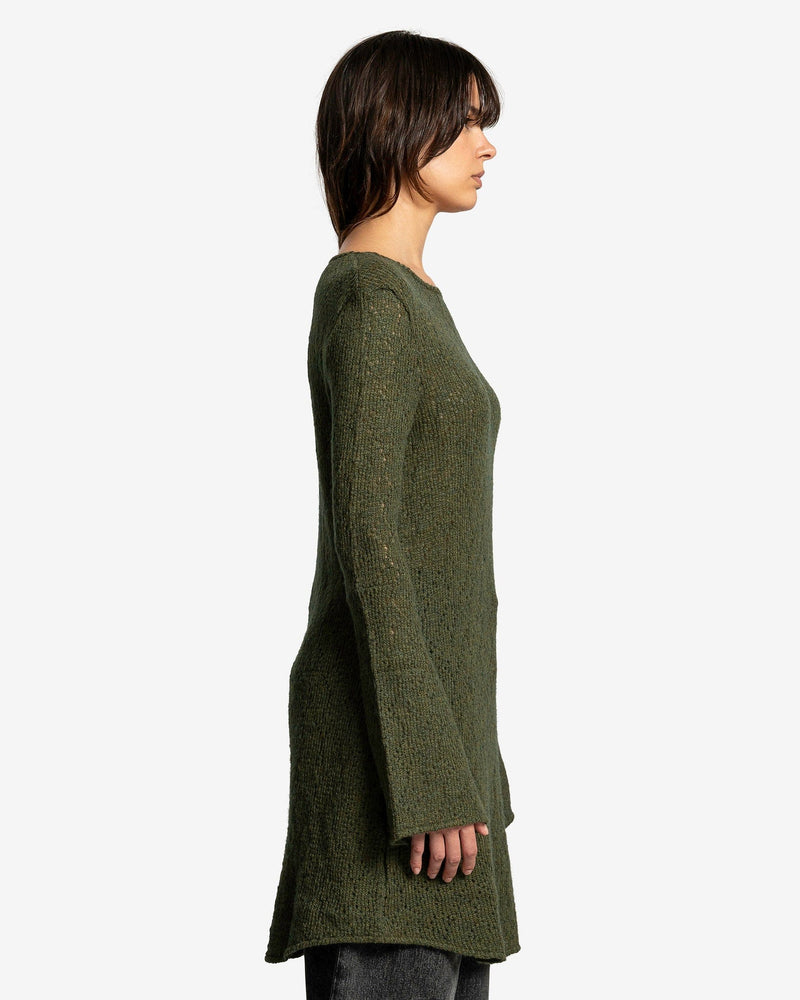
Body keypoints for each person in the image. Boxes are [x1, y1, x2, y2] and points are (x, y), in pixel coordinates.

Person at [264, 29, 520, 999]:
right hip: (397, 795)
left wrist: (473, 772)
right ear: (397, 125)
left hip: (438, 782)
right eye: (465, 121)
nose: (485, 145)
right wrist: (429, 778)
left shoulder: (414, 301)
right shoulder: (371, 302)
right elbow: (369, 547)